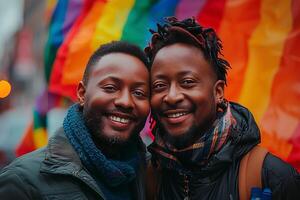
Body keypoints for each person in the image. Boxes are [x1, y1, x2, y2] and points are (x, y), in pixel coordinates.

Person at [145, 17, 300, 200]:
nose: (171, 96)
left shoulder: (273, 177)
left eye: (187, 82)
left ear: (218, 92)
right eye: (159, 85)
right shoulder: (146, 176)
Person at [0, 41, 150, 200]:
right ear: (82, 94)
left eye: (139, 93)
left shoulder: (155, 177)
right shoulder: (22, 182)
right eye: (110, 88)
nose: (125, 102)